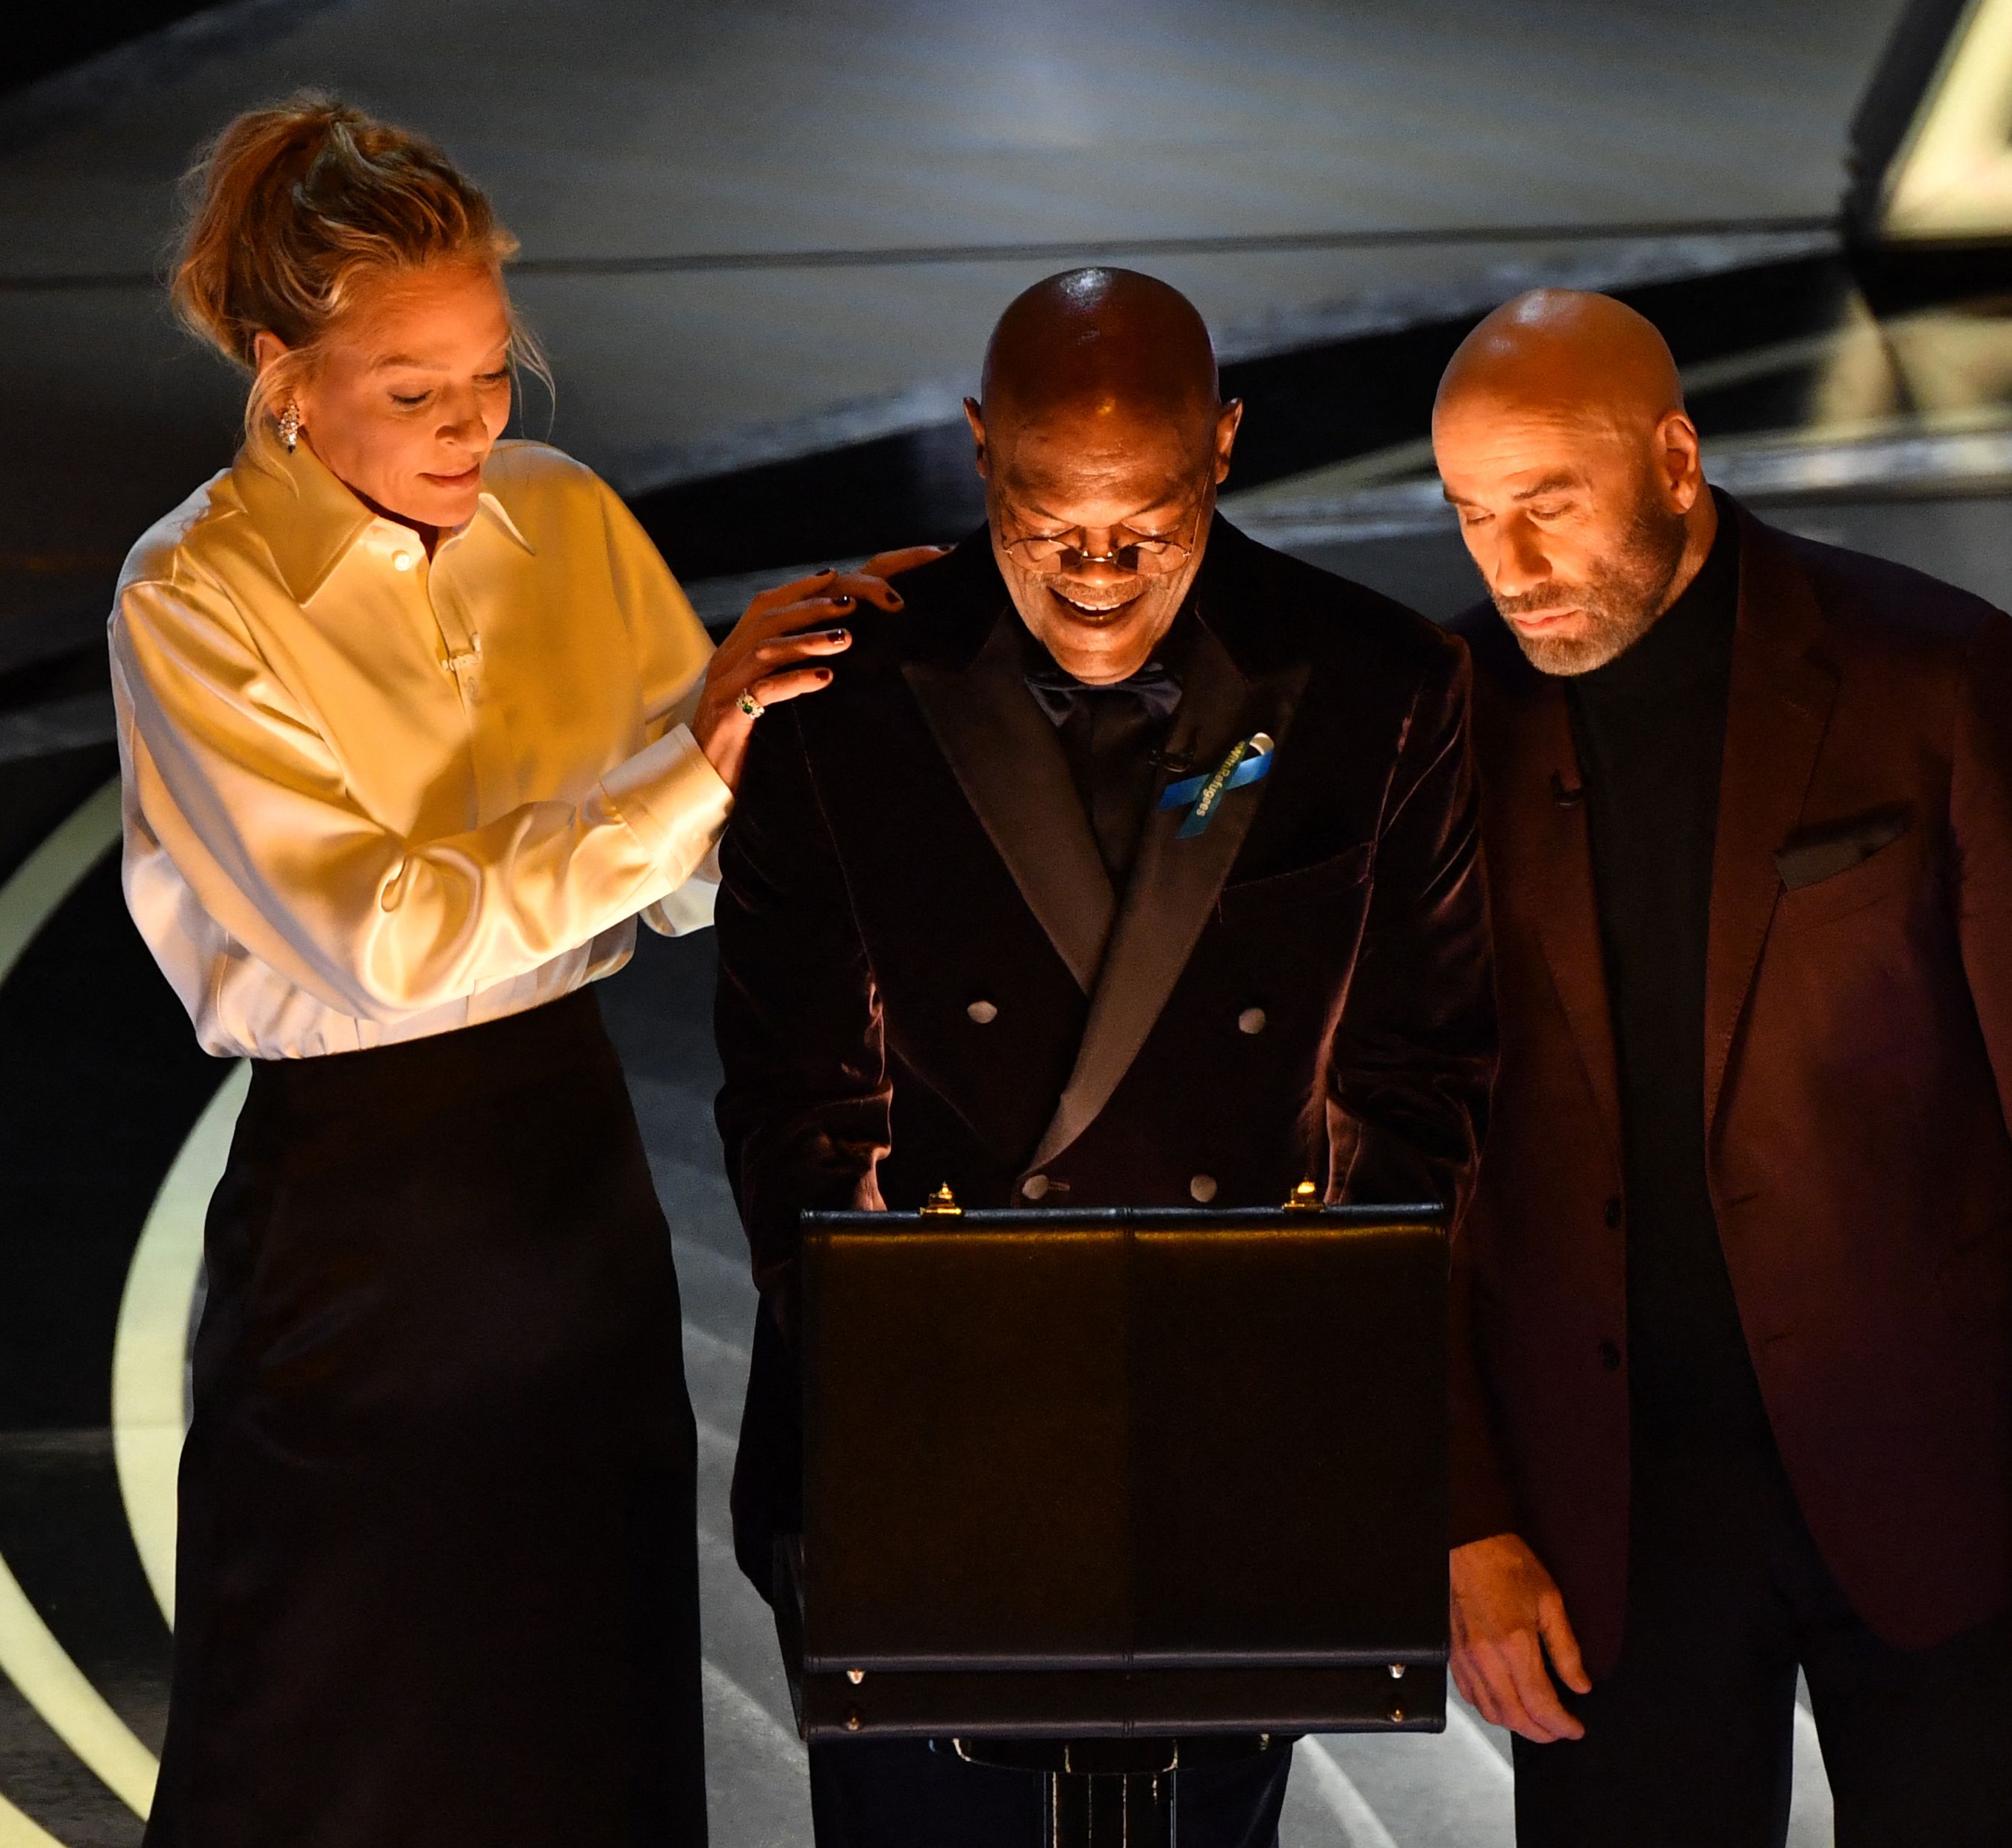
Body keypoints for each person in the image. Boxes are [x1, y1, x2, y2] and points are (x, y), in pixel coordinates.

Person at [110, 94, 909, 1845]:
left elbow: (685, 870)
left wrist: (804, 722)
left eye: (489, 376)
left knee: (585, 1683)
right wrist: (690, 767)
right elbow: (382, 939)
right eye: (413, 392)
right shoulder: (195, 593)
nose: (471, 424)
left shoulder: (563, 517)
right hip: (355, 1203)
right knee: (333, 1709)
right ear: (282, 374)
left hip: (568, 1166)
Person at [713, 267, 1496, 1847]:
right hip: (914, 1434)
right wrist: (928, 1369)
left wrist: (1309, 1349)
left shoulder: (1376, 684)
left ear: (1224, 448)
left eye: (1144, 523)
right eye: (1048, 524)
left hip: (1238, 1440)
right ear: (978, 452)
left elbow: (1425, 1075)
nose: (1097, 573)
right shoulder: (840, 691)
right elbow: (796, 1094)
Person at [1433, 289, 2012, 1845]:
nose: (1511, 567)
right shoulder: (1433, 731)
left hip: (1948, 1484)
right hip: (1605, 1526)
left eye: (1550, 509)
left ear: (1677, 460)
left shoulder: (1937, 675)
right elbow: (1393, 1150)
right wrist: (1465, 1518)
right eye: (1474, 514)